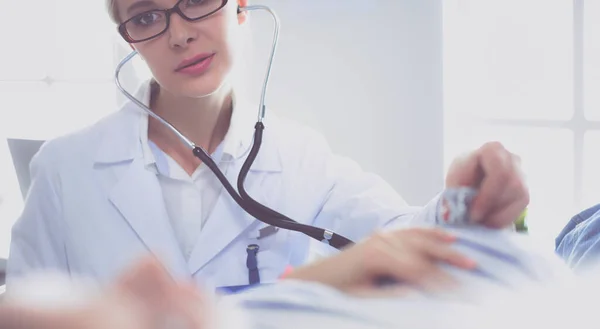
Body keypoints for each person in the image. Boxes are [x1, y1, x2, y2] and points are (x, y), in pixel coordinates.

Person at [6, 0, 528, 292]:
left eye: (195, 1)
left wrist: (463, 197)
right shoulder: (64, 171)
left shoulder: (300, 159)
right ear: (128, 38)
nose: (179, 34)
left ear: (240, 6)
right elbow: (27, 314)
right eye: (147, 15)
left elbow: (402, 236)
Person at [1, 224, 577, 329]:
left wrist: (317, 278)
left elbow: (407, 227)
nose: (148, 272)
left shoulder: (300, 150)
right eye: (158, 327)